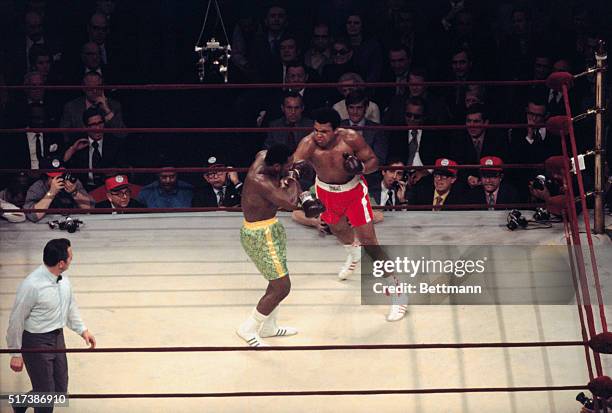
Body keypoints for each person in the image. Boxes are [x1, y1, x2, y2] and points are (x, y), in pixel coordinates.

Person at [292, 108, 407, 321]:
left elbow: (373, 162)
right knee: (337, 228)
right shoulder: (309, 144)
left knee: (369, 242)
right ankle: (354, 254)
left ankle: (398, 291)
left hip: (353, 192)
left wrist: (360, 167)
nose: (319, 135)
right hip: (325, 191)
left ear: (336, 131)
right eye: (316, 130)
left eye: (324, 131)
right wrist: (303, 195)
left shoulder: (351, 138)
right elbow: (292, 171)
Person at [237, 144, 325, 347]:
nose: (291, 164)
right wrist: (293, 177)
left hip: (271, 229)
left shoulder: (263, 155)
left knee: (276, 280)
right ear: (277, 166)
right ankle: (248, 327)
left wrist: (288, 172)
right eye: (288, 163)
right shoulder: (261, 181)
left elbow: (272, 158)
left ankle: (269, 327)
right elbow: (291, 203)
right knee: (282, 287)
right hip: (259, 235)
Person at [6, 238, 96, 413]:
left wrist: (82, 330)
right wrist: (15, 352)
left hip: (57, 338)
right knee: (46, 398)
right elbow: (16, 319)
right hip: (36, 341)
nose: (73, 258)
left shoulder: (63, 281)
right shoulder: (32, 286)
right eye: (70, 256)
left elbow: (70, 307)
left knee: (60, 393)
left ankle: (20, 402)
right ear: (61, 263)